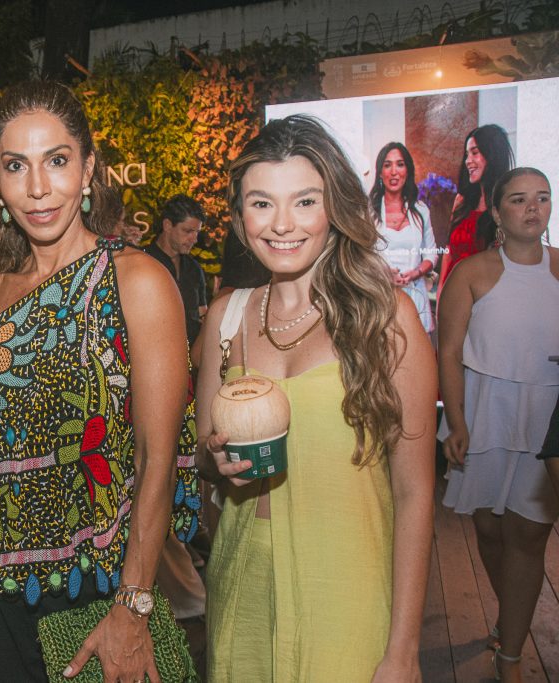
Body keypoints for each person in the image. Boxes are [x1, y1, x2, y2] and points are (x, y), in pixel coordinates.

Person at [0, 80, 200, 683]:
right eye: (16, 166)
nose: (37, 188)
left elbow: (155, 456)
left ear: (88, 169)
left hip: (91, 589)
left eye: (56, 161)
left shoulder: (136, 281)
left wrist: (133, 605)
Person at [196, 115, 437, 682]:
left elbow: (415, 492)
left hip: (348, 593)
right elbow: (205, 459)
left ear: (336, 208)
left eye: (305, 201)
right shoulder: (225, 319)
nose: (282, 224)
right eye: (261, 203)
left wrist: (402, 650)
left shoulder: (387, 321)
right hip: (242, 590)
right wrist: (216, 460)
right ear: (238, 216)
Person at [437, 167, 558, 682]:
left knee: (529, 536)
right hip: (486, 411)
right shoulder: (471, 273)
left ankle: (510, 654)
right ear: (498, 211)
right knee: (488, 527)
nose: (534, 208)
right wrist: (458, 420)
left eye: (543, 198)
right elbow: (447, 351)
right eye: (519, 199)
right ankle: (513, 616)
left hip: (548, 418)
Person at [369, 142, 437, 332]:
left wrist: (416, 273)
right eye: (387, 165)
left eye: (400, 164)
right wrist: (383, 272)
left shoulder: (421, 210)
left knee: (418, 357)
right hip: (381, 296)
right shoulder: (368, 212)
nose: (394, 171)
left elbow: (431, 253)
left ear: (407, 170)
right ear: (380, 173)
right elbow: (359, 256)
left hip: (415, 293)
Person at [439, 124, 513, 287]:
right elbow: (448, 253)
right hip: (453, 295)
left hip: (485, 297)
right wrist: (440, 295)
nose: (468, 161)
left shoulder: (507, 206)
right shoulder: (461, 201)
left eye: (474, 153)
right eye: (467, 154)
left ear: (492, 155)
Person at [143, 194, 209, 347]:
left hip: (191, 360)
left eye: (197, 232)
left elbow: (201, 314)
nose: (194, 239)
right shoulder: (144, 263)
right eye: (187, 231)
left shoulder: (194, 268)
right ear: (167, 225)